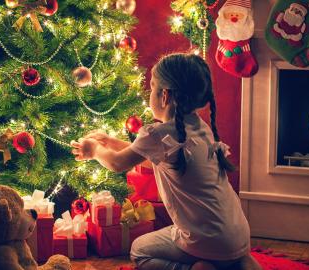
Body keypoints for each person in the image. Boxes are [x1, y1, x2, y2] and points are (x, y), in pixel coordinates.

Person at [71, 53, 261, 270]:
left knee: (139, 250)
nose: (149, 92)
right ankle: (239, 263)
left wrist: (94, 149)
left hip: (206, 239)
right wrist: (110, 141)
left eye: (152, 87)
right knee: (225, 254)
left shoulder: (159, 134)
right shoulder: (200, 128)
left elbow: (117, 164)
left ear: (165, 95)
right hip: (238, 235)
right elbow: (147, 159)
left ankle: (195, 268)